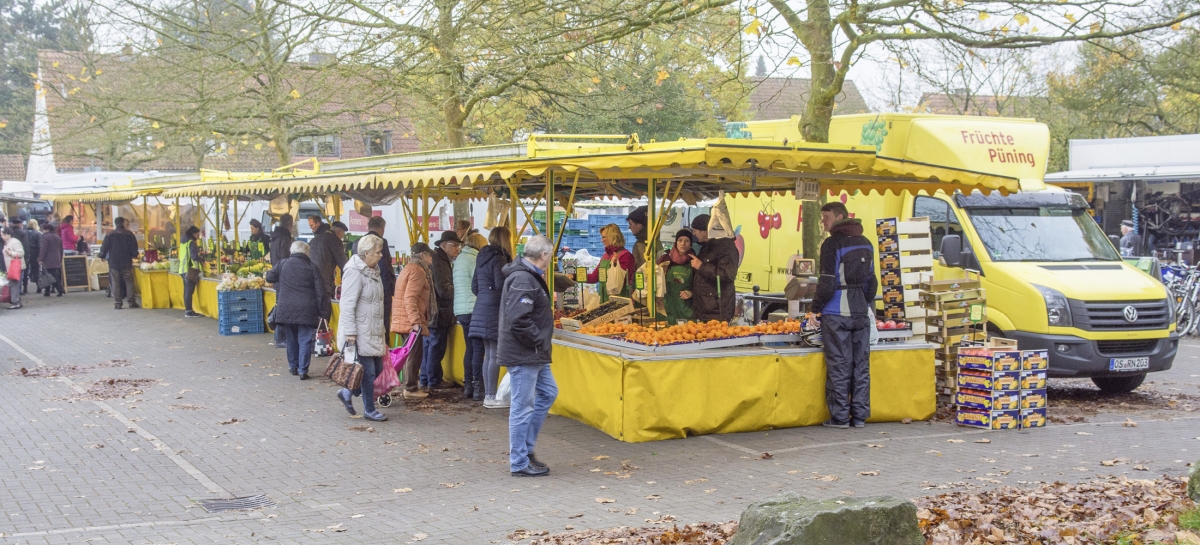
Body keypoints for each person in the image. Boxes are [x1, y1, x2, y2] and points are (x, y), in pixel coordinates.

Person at [811, 202, 878, 429]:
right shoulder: (866, 243)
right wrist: (863, 302)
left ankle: (839, 417)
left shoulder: (831, 244)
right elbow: (872, 281)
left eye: (827, 217)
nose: (823, 222)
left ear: (839, 217)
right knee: (860, 365)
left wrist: (814, 308)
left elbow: (827, 282)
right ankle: (859, 416)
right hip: (860, 313)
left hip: (835, 313)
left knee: (839, 365)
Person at [499, 235, 557, 477]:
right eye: (551, 256)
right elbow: (518, 319)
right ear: (543, 255)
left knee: (548, 393)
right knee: (522, 407)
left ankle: (526, 449)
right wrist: (538, 340)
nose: (551, 260)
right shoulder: (524, 279)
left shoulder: (527, 276)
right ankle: (519, 461)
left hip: (534, 353)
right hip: (525, 352)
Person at [335, 235, 389, 422]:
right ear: (366, 253)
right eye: (377, 252)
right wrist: (350, 332)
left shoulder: (374, 271)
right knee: (368, 373)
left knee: (378, 368)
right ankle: (369, 409)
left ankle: (347, 391)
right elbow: (347, 304)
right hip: (359, 331)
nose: (381, 255)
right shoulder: (354, 272)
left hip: (373, 330)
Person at [265, 240, 331, 379]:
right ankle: (302, 370)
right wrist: (324, 312)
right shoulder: (312, 267)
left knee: (291, 339)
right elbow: (321, 291)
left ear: (291, 251)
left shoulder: (283, 264)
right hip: (307, 309)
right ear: (307, 253)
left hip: (286, 309)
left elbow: (269, 277)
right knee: (305, 340)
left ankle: (293, 367)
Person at [472, 226, 512, 408]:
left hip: (481, 307)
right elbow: (501, 284)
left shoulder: (481, 257)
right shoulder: (499, 258)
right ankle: (491, 396)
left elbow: (474, 286)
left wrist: (484, 294)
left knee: (488, 354)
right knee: (494, 354)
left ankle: (488, 394)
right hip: (494, 310)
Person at [391, 242, 435, 400]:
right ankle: (410, 387)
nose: (431, 259)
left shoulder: (408, 268)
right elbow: (410, 298)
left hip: (403, 317)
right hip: (410, 320)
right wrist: (416, 322)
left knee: (408, 354)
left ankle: (408, 385)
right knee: (414, 354)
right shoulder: (418, 271)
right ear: (422, 255)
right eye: (430, 255)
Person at [425, 231, 461, 389]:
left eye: (459, 246)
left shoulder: (439, 259)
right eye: (454, 246)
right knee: (436, 346)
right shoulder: (440, 261)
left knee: (430, 346)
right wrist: (459, 290)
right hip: (439, 311)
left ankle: (426, 378)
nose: (457, 249)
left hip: (435, 311)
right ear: (443, 245)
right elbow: (444, 289)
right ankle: (434, 379)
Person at [688, 214, 738, 322]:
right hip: (705, 309)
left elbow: (727, 275)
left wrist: (701, 266)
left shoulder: (726, 248)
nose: (694, 234)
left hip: (717, 311)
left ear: (704, 232)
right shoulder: (707, 246)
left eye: (695, 230)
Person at [454, 232, 486, 400]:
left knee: (470, 348)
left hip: (461, 309)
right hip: (473, 307)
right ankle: (478, 387)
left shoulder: (459, 259)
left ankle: (468, 385)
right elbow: (480, 282)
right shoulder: (474, 260)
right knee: (478, 348)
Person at [353, 216, 395, 326]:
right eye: (378, 253)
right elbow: (385, 270)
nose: (380, 255)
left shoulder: (357, 243)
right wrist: (388, 293)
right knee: (382, 325)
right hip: (379, 292)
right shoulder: (381, 243)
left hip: (362, 295)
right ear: (382, 228)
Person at [98, 217, 140, 309]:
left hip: (113, 262)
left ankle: (118, 303)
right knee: (129, 281)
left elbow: (104, 247)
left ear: (115, 223)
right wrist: (134, 255)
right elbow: (134, 249)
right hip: (126, 261)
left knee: (115, 282)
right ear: (123, 223)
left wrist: (101, 255)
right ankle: (131, 301)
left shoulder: (110, 234)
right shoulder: (129, 234)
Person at [586, 224, 635, 303]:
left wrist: (615, 264)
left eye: (604, 237)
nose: (602, 240)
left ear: (613, 237)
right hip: (604, 300)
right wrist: (574, 276)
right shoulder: (605, 256)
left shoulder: (626, 256)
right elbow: (594, 277)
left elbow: (621, 281)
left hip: (620, 302)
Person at [657, 229, 696, 325]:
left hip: (685, 309)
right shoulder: (665, 259)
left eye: (687, 241)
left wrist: (691, 292)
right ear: (676, 242)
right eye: (680, 240)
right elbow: (655, 280)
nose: (683, 243)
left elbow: (700, 284)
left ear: (690, 244)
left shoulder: (694, 261)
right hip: (666, 308)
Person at [268, 214, 295, 348]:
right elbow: (285, 260)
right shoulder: (284, 239)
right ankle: (280, 338)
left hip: (278, 278)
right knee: (282, 309)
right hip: (284, 279)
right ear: (290, 225)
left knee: (280, 306)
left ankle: (280, 337)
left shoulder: (275, 238)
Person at [308, 214, 347, 301]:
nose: (342, 237)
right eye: (343, 234)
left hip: (310, 281)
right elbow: (344, 264)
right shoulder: (335, 241)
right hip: (324, 284)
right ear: (339, 232)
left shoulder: (314, 239)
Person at [177, 226, 203, 318]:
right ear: (193, 234)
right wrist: (202, 259)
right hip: (190, 270)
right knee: (189, 291)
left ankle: (188, 310)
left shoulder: (184, 242)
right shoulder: (192, 243)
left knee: (186, 291)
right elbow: (194, 257)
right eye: (197, 234)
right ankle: (189, 311)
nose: (198, 236)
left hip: (182, 269)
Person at [38, 222, 64, 296]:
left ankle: (60, 289)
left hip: (48, 259)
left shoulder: (45, 237)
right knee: (50, 275)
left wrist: (40, 259)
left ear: (47, 230)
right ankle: (47, 291)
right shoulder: (58, 237)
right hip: (57, 258)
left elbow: (43, 249)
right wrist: (60, 258)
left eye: (44, 229)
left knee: (50, 275)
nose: (43, 231)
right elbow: (61, 249)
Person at [2, 227, 25, 309]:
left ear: (9, 234)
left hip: (16, 267)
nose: (3, 236)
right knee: (12, 284)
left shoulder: (14, 242)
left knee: (14, 285)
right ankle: (16, 300)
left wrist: (10, 252)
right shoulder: (7, 243)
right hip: (11, 267)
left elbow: (21, 253)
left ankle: (16, 302)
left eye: (4, 235)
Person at [9, 217, 29, 295]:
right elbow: (26, 245)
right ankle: (20, 290)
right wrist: (27, 256)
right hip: (19, 256)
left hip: (9, 256)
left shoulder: (8, 232)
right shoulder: (22, 233)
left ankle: (12, 291)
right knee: (20, 274)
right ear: (19, 224)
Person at [627, 205, 649, 272]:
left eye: (630, 224)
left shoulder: (641, 244)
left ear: (640, 224)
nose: (629, 227)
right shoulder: (653, 239)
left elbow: (644, 267)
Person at [23, 219, 41, 296]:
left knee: (25, 270)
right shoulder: (38, 233)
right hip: (35, 253)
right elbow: (40, 245)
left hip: (25, 252)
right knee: (36, 270)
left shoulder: (24, 233)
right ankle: (38, 287)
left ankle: (25, 288)